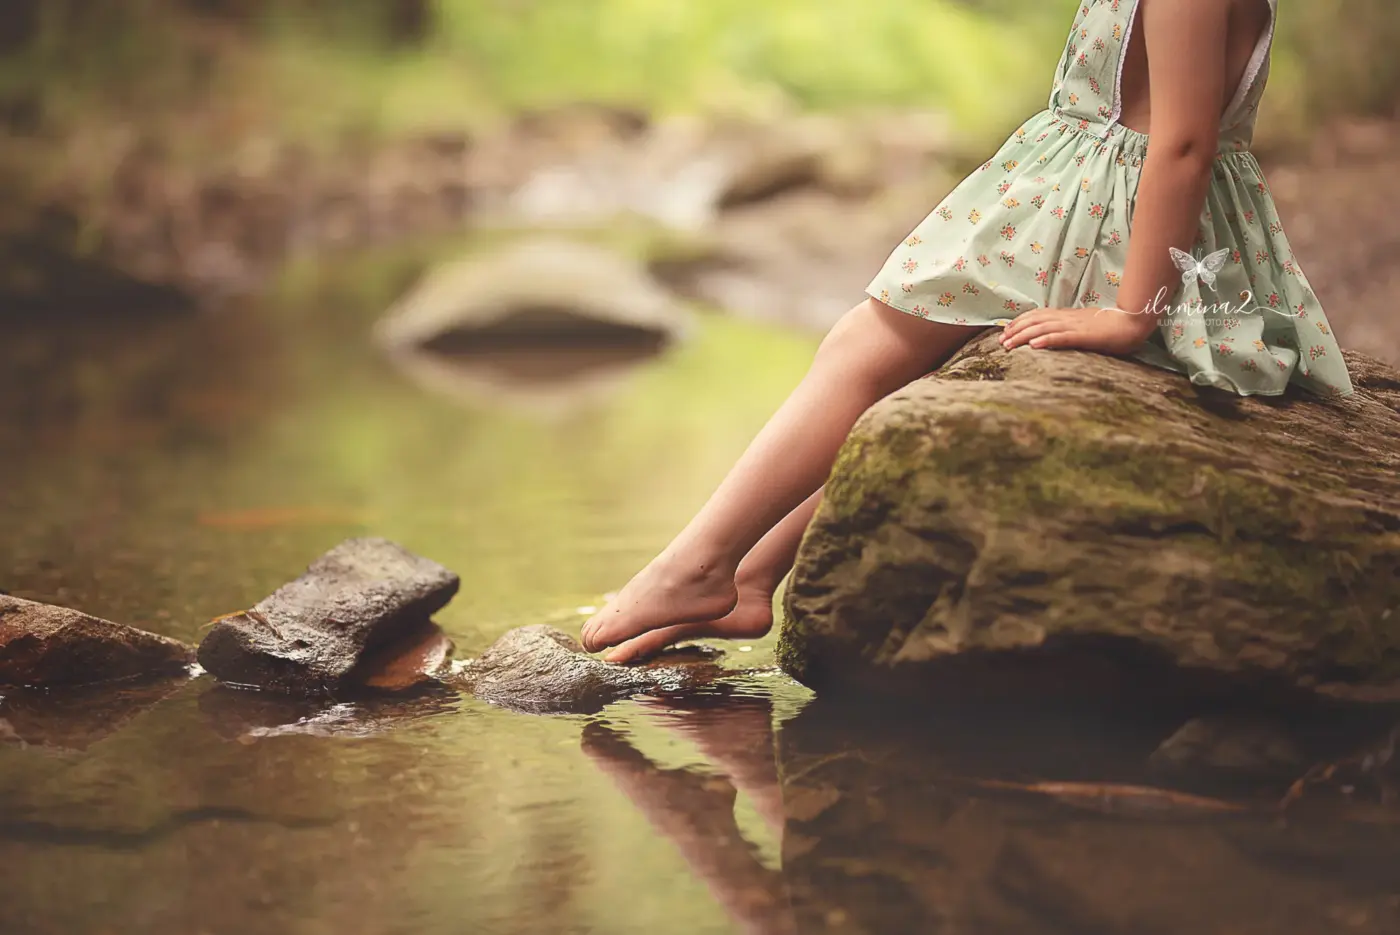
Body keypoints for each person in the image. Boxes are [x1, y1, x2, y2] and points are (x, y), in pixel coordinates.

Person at [582, 0, 1354, 662]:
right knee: (908, 366)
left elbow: (1183, 143)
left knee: (862, 347)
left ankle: (701, 562)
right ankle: (749, 576)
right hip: (1083, 208)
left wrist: (1133, 310)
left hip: (1117, 229)